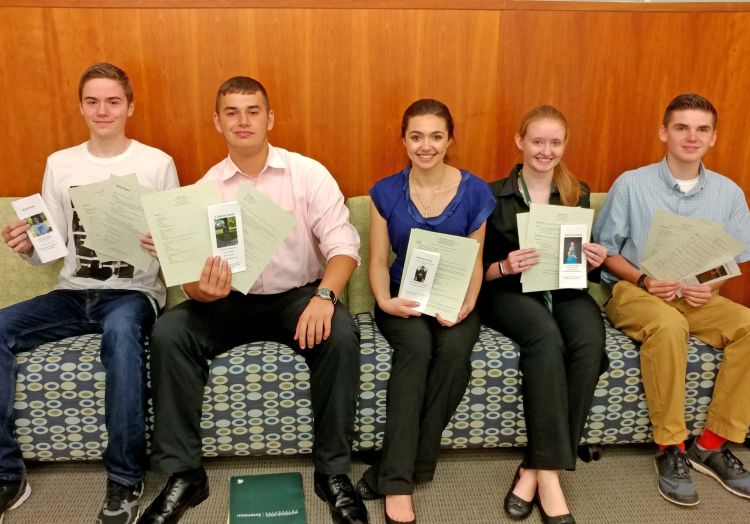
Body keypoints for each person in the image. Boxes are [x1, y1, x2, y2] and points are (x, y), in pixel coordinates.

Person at [138, 76, 368, 524]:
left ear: (270, 118)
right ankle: (185, 475)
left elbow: (344, 245)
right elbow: (191, 281)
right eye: (232, 112)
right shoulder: (207, 187)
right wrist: (200, 289)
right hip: (231, 301)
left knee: (341, 332)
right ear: (217, 122)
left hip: (298, 296)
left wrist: (325, 295)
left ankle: (332, 472)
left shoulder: (307, 173)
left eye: (253, 111)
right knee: (169, 331)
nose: (243, 121)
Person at [0, 63, 179, 524]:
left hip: (133, 292)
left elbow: (175, 248)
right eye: (93, 101)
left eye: (113, 101)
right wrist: (27, 249)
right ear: (81, 107)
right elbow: (51, 249)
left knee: (121, 335)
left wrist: (165, 244)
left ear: (130, 107)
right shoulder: (61, 164)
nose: (103, 110)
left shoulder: (156, 163)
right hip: (73, 291)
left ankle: (125, 478)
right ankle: (7, 474)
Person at [594, 93, 750, 506]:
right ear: (665, 132)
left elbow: (732, 259)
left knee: (749, 327)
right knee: (669, 324)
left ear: (713, 137)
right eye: (682, 127)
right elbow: (605, 251)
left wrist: (708, 286)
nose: (691, 137)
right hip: (635, 291)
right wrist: (644, 279)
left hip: (695, 295)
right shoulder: (632, 183)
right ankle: (671, 447)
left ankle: (712, 445)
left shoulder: (730, 194)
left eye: (701, 129)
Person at [354, 99, 495, 524]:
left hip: (456, 298)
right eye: (416, 136)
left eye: (436, 136)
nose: (426, 145)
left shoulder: (476, 191)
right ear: (404, 140)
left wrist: (467, 304)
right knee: (415, 350)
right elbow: (378, 261)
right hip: (402, 297)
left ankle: (401, 465)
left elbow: (475, 259)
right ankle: (400, 483)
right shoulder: (384, 192)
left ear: (450, 140)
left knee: (454, 356)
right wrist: (383, 301)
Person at [480, 105, 608, 524]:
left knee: (589, 342)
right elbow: (475, 271)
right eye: (538, 141)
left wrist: (593, 261)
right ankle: (551, 481)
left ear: (564, 145)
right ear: (520, 142)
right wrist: (504, 266)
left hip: (565, 290)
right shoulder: (491, 194)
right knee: (546, 339)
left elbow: (580, 258)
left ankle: (538, 467)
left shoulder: (578, 192)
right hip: (509, 292)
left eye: (555, 142)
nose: (546, 150)